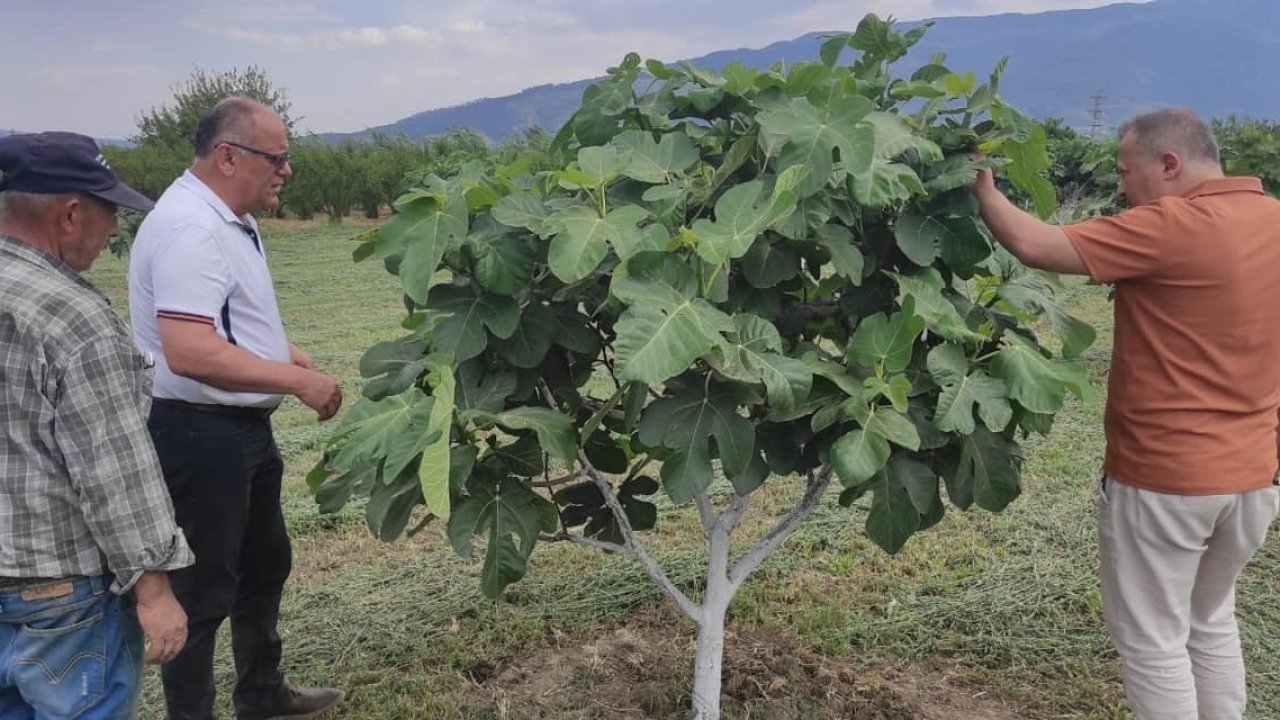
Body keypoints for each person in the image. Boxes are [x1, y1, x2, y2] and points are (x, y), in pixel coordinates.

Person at [972, 108, 1280, 720]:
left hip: (1166, 479)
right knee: (1209, 619)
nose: (1120, 187)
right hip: (1253, 478)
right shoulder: (1273, 220)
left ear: (1170, 165)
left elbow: (1036, 243)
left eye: (1125, 171)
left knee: (1153, 643)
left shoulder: (1171, 224)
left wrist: (981, 186)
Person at [128, 97, 344, 720]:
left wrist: (286, 354)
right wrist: (294, 382)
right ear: (228, 156)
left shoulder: (226, 217)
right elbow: (191, 350)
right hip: (200, 436)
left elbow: (224, 322)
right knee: (202, 593)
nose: (287, 171)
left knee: (264, 564)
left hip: (238, 431)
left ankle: (261, 693)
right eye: (276, 158)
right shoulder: (190, 228)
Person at [0, 131, 194, 718]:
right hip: (60, 594)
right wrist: (155, 589)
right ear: (69, 214)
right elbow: (114, 471)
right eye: (109, 211)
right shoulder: (73, 317)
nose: (115, 229)